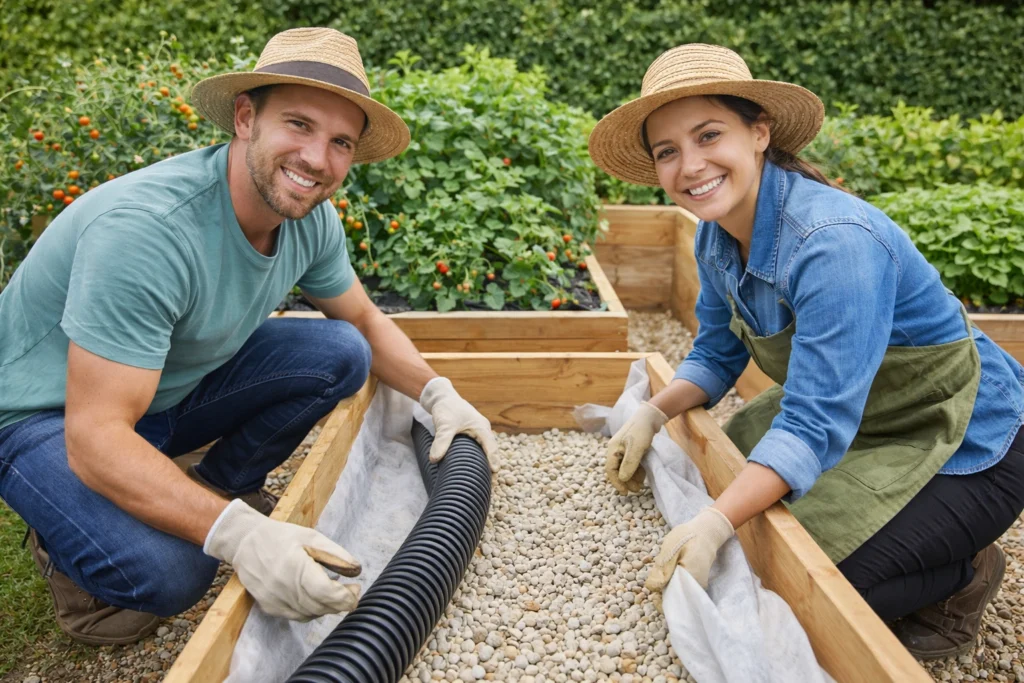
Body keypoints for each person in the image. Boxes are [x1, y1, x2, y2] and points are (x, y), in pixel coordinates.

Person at [0, 27, 499, 646]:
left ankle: (217, 488)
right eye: (299, 124)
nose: (317, 159)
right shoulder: (147, 233)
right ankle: (67, 547)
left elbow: (365, 321)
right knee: (174, 571)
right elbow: (94, 435)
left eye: (340, 142)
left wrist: (439, 395)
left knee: (343, 351)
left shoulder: (310, 221)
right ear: (244, 118)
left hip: (157, 390)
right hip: (43, 414)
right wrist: (241, 538)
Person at [589, 44, 1024, 660]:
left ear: (759, 132)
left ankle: (966, 572)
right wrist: (652, 414)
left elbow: (813, 422)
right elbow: (715, 353)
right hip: (864, 414)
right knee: (743, 488)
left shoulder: (832, 244)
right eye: (668, 151)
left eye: (709, 135)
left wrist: (714, 523)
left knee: (811, 588)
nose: (691, 165)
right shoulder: (715, 238)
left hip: (968, 435)